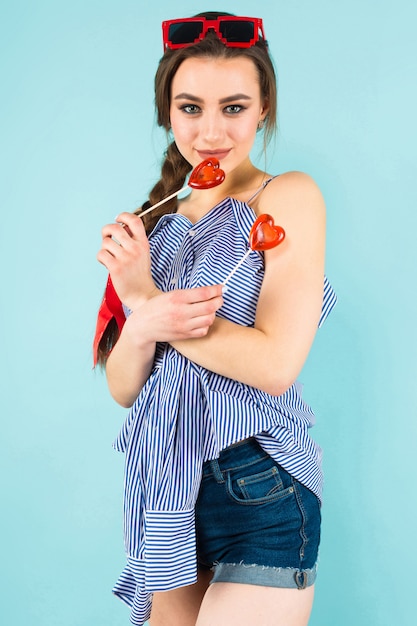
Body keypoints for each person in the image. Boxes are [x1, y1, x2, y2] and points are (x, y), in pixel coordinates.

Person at [95, 11, 336, 626]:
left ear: (263, 111)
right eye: (190, 108)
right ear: (167, 114)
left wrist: (148, 301)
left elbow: (276, 365)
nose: (211, 132)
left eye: (233, 108)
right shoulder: (153, 228)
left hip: (256, 483)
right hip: (162, 489)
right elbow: (125, 387)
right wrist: (141, 309)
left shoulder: (286, 197)